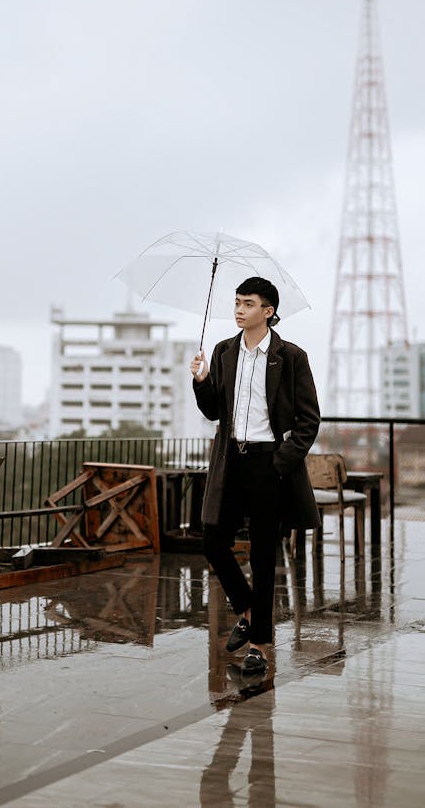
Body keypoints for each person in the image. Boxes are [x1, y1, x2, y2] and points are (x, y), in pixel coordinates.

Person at [190, 276, 321, 674]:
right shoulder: (224, 352)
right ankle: (248, 609)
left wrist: (280, 463)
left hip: (269, 463)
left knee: (265, 556)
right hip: (231, 460)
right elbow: (214, 411)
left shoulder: (291, 356)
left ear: (268, 311)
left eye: (247, 303)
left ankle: (260, 647)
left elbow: (308, 420)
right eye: (236, 302)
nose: (238, 309)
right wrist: (200, 381)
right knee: (213, 541)